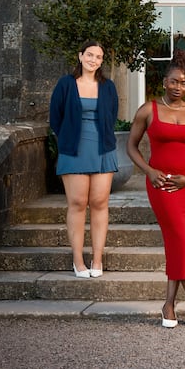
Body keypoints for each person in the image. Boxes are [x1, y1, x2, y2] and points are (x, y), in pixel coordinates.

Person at [126, 49, 185, 328]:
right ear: (165, 82)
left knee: (178, 241)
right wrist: (149, 171)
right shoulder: (148, 110)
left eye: (183, 83)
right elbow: (131, 146)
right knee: (179, 239)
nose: (178, 87)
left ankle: (168, 305)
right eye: (174, 81)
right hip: (161, 185)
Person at [49, 40, 118, 279]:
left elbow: (112, 115)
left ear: (101, 61)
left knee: (99, 202)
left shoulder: (108, 86)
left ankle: (97, 259)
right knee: (78, 203)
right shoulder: (66, 84)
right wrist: (68, 138)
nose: (93, 60)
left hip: (103, 149)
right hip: (73, 150)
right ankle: (78, 261)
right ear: (80, 56)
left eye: (98, 57)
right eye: (89, 55)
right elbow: (55, 117)